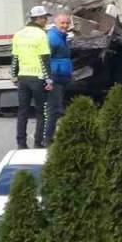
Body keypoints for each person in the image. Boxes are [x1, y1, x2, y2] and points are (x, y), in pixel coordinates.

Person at [12, 6, 53, 149]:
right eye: (44, 18)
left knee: (22, 111)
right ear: (38, 19)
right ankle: (38, 142)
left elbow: (15, 58)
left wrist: (14, 76)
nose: (46, 20)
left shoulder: (18, 34)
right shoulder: (42, 35)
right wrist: (49, 80)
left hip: (23, 78)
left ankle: (21, 143)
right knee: (41, 111)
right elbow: (45, 59)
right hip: (38, 78)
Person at [44, 11, 73, 144]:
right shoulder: (53, 38)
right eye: (62, 23)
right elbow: (46, 60)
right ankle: (48, 139)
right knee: (54, 109)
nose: (65, 25)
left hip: (62, 77)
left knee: (58, 108)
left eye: (67, 23)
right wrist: (48, 79)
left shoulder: (62, 37)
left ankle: (53, 136)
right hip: (55, 77)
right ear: (55, 23)